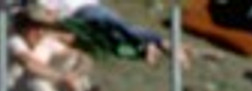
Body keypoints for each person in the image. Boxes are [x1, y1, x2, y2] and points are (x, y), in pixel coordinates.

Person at [7, 8, 93, 91]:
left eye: (43, 27)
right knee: (34, 78)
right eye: (35, 27)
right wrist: (62, 77)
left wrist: (75, 74)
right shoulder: (15, 42)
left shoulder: (46, 42)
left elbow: (84, 58)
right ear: (24, 28)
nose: (39, 32)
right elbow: (29, 65)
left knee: (75, 67)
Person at [35, 0, 185, 65]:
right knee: (112, 39)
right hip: (78, 18)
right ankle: (148, 46)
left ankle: (158, 42)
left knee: (121, 28)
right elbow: (47, 13)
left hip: (90, 10)